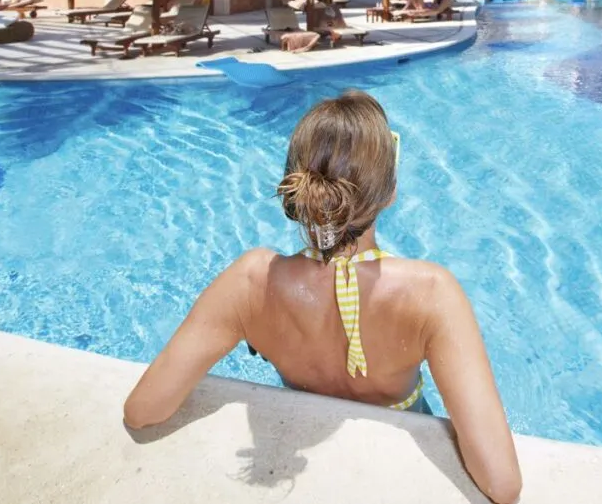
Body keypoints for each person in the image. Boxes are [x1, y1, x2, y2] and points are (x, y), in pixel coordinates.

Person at [123, 91, 522, 504]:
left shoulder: (250, 282)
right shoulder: (430, 294)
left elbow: (144, 410)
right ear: (388, 193)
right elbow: (502, 483)